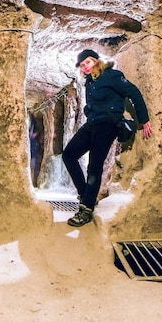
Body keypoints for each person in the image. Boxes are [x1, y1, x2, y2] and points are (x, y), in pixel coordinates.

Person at [62, 49, 153, 227]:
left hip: (108, 125)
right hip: (92, 124)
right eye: (82, 65)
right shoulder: (89, 82)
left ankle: (86, 209)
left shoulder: (111, 75)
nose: (85, 67)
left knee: (94, 165)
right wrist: (88, 111)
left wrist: (144, 119)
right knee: (69, 155)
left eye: (87, 62)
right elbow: (92, 105)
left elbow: (133, 92)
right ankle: (86, 194)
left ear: (95, 60)